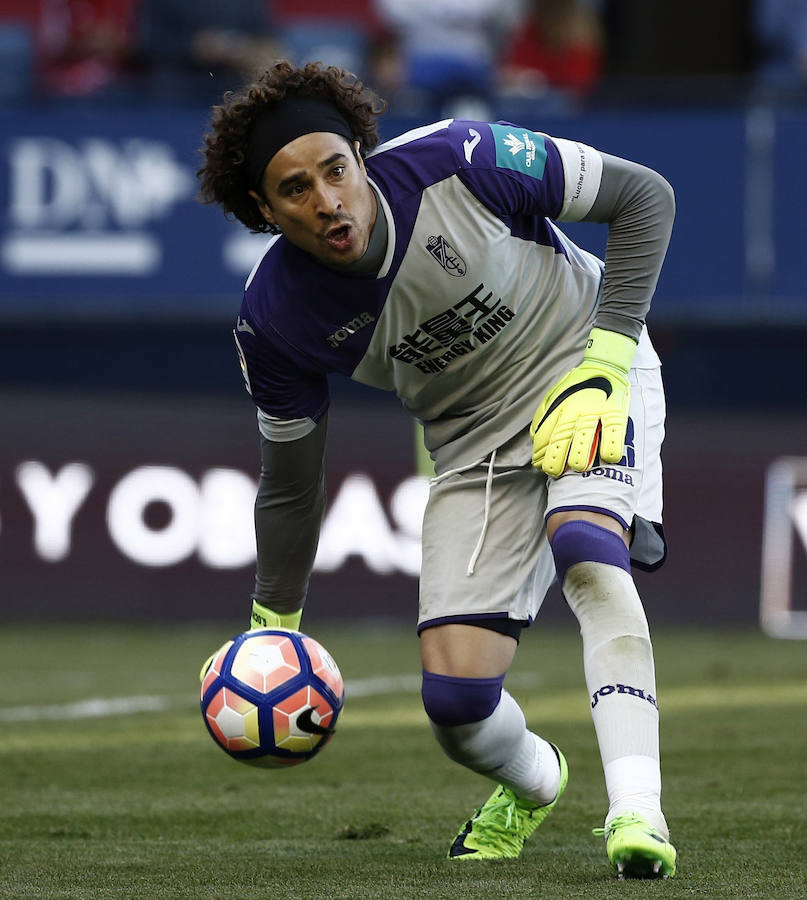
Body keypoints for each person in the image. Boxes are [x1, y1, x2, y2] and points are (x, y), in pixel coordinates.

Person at [197, 60, 677, 879]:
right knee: (456, 706)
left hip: (586, 368)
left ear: (360, 154)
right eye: (295, 190)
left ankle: (637, 812)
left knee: (584, 546)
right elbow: (291, 482)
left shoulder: (462, 159)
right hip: (471, 445)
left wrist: (604, 361)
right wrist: (272, 625)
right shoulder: (271, 319)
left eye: (335, 170)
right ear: (262, 208)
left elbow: (644, 197)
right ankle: (534, 784)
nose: (327, 201)